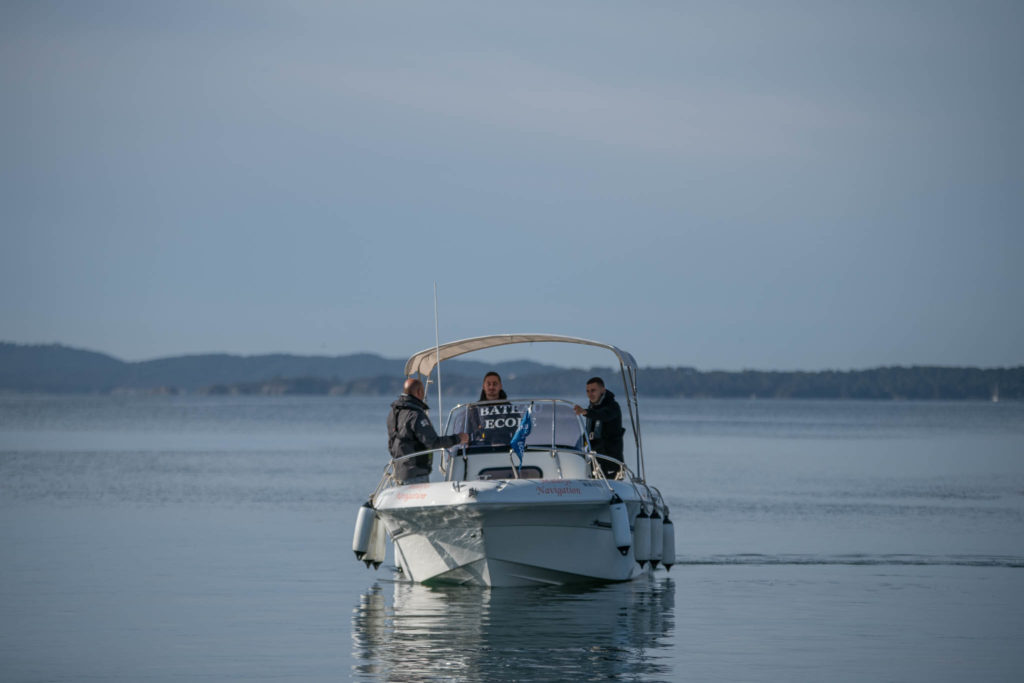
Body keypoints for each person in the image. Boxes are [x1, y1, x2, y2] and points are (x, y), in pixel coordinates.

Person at [387, 378, 468, 484]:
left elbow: (391, 444)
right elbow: (432, 442)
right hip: (416, 475)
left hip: (398, 473)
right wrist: (458, 438)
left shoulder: (393, 414)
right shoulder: (416, 415)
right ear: (419, 392)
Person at [573, 376, 626, 478]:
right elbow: (589, 433)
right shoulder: (592, 408)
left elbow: (603, 415)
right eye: (587, 391)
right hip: (596, 461)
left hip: (611, 462)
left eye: (593, 390)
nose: (590, 394)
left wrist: (584, 412)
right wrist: (575, 447)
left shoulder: (613, 407)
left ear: (602, 390)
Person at [468, 371, 519, 447]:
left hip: (504, 450)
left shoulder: (510, 409)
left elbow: (518, 432)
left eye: (495, 384)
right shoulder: (474, 409)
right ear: (483, 386)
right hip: (479, 451)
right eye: (488, 384)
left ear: (500, 386)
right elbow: (467, 433)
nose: (491, 387)